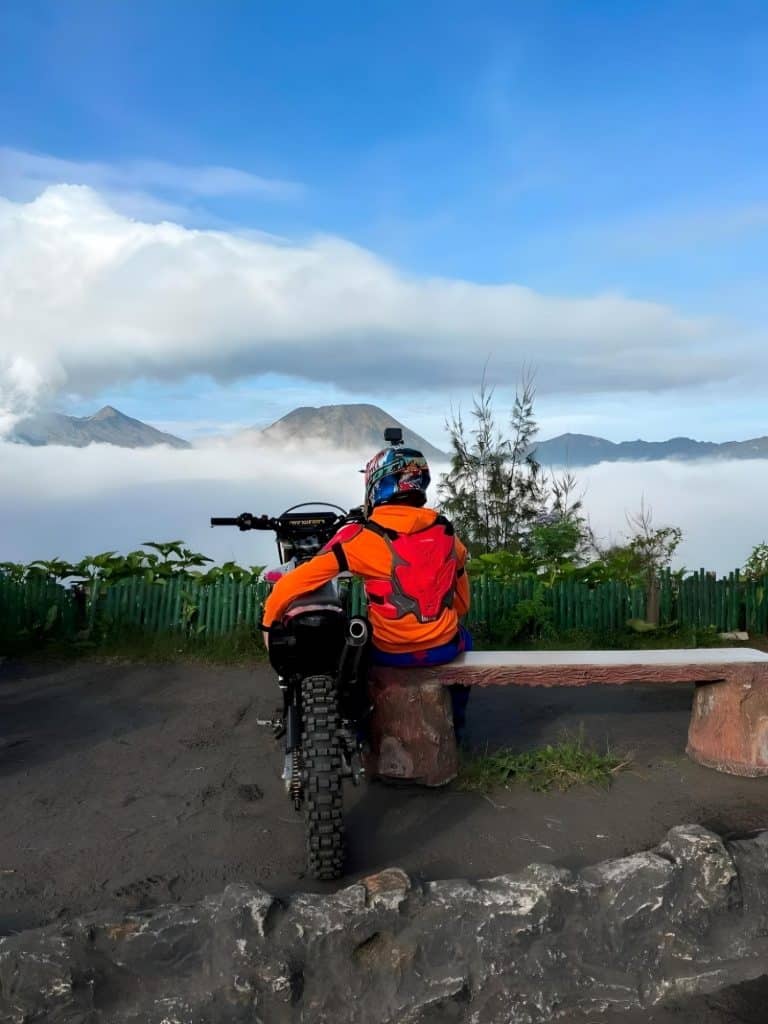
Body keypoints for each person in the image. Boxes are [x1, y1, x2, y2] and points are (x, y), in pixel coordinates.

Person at [261, 441, 472, 736]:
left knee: (350, 654)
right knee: (467, 640)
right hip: (443, 648)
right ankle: (458, 724)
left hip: (389, 651)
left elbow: (294, 583)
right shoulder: (448, 534)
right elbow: (462, 605)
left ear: (376, 487)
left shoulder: (364, 539)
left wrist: (269, 625)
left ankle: (359, 731)